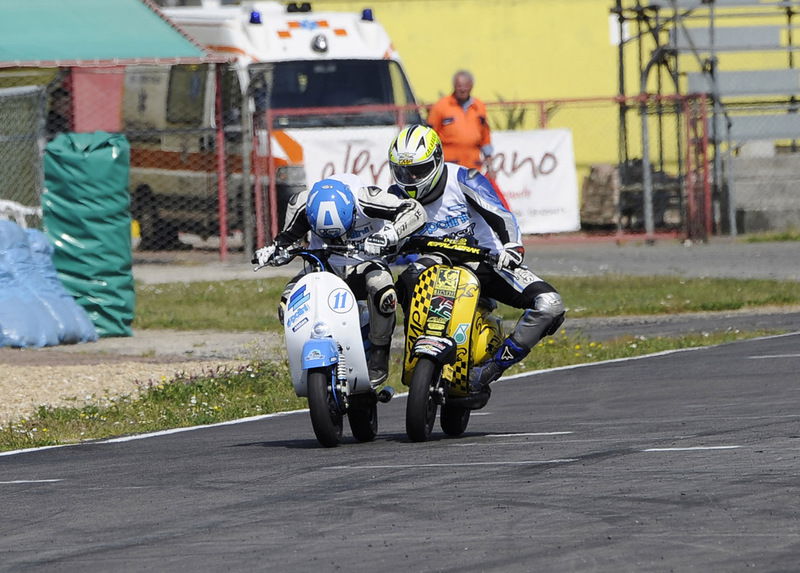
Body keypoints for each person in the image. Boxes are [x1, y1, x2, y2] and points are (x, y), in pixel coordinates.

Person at [387, 124, 564, 395]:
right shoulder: (394, 196)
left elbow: (502, 216)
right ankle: (418, 351)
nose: (410, 179)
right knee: (404, 281)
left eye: (418, 170)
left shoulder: (465, 178)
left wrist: (512, 247)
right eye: (402, 171)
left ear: (436, 161)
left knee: (550, 305)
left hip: (486, 261)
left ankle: (490, 369)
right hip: (436, 261)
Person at [252, 173, 427, 385]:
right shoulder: (300, 204)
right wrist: (272, 252)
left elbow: (415, 210)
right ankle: (304, 355)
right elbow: (285, 241)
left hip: (364, 262)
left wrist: (389, 234)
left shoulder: (367, 198)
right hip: (322, 264)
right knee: (286, 303)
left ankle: (380, 352)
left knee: (385, 292)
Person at [426, 70, 493, 171]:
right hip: (449, 166)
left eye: (466, 86)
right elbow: (429, 135)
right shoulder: (441, 106)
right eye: (459, 86)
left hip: (473, 166)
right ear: (454, 86)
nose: (462, 89)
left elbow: (485, 136)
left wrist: (489, 161)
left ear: (471, 86)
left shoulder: (479, 107)